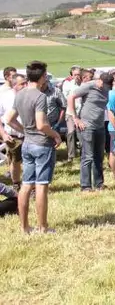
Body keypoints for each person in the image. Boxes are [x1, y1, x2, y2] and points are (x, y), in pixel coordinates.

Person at [4, 61, 62, 234]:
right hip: (42, 145)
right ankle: (43, 227)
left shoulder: (20, 94)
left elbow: (8, 119)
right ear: (42, 76)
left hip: (27, 144)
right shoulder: (40, 96)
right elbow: (42, 125)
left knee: (26, 185)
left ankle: (24, 227)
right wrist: (56, 135)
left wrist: (24, 131)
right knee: (42, 185)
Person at [69, 71, 114, 192]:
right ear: (100, 81)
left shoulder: (107, 89)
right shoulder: (89, 86)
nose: (105, 89)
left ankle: (99, 184)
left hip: (100, 126)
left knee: (99, 156)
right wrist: (76, 118)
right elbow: (71, 97)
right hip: (87, 126)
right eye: (104, 86)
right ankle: (86, 186)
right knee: (87, 157)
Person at [0, 70, 26, 189]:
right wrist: (3, 134)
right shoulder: (5, 97)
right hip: (13, 136)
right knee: (15, 162)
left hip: (29, 135)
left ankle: (30, 186)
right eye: (22, 84)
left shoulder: (29, 95)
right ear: (15, 85)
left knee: (29, 162)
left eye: (26, 83)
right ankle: (16, 184)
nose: (25, 86)